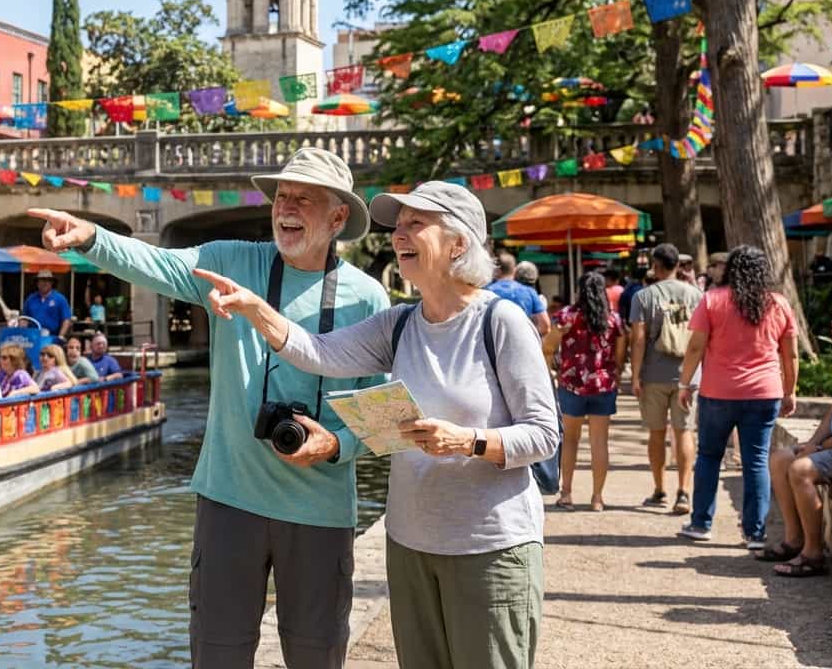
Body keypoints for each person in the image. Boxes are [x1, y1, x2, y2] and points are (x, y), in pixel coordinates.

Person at [30, 147, 394, 669]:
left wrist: (336, 442)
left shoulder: (367, 298)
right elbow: (155, 263)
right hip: (229, 504)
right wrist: (91, 238)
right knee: (216, 656)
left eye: (304, 200)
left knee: (318, 657)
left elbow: (378, 415)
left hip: (319, 515)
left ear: (338, 217)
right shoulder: (230, 261)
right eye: (282, 197)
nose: (286, 208)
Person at [190, 180, 558, 669]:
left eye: (415, 224)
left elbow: (544, 434)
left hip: (487, 547)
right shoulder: (399, 323)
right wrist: (258, 308)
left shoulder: (501, 321)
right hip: (410, 545)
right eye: (397, 225)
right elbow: (316, 352)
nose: (398, 235)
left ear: (458, 243)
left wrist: (468, 440)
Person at [677, 245, 799, 547]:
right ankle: (754, 532)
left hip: (718, 391)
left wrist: (685, 383)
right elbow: (791, 354)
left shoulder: (713, 300)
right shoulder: (779, 304)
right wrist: (790, 391)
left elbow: (695, 347)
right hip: (764, 392)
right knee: (756, 461)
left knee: (708, 457)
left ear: (730, 269)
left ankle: (701, 523)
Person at [758, 299, 832, 576]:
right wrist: (814, 442)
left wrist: (824, 447)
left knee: (801, 469)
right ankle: (794, 540)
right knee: (780, 459)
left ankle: (813, 555)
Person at [629, 244, 704, 514]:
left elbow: (637, 339)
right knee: (684, 431)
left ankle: (659, 489)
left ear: (656, 266)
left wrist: (635, 376)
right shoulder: (697, 295)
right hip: (688, 374)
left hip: (654, 373)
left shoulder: (643, 296)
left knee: (657, 432)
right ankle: (684, 491)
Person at [554, 272, 626, 511]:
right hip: (603, 385)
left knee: (571, 440)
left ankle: (566, 493)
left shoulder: (567, 316)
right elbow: (619, 353)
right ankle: (597, 497)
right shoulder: (613, 319)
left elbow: (547, 344)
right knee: (599, 442)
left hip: (571, 384)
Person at [487, 251, 550, 336]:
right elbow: (545, 327)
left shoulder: (486, 292)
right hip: (523, 343)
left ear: (496, 270)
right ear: (515, 270)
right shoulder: (529, 292)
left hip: (493, 344)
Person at [23, 270, 72, 344]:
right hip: (33, 338)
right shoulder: (30, 298)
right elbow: (25, 318)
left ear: (52, 283)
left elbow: (66, 320)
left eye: (47, 280)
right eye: (42, 280)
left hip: (52, 338)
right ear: (37, 283)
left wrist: (61, 336)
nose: (44, 283)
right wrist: (22, 332)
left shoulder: (60, 298)